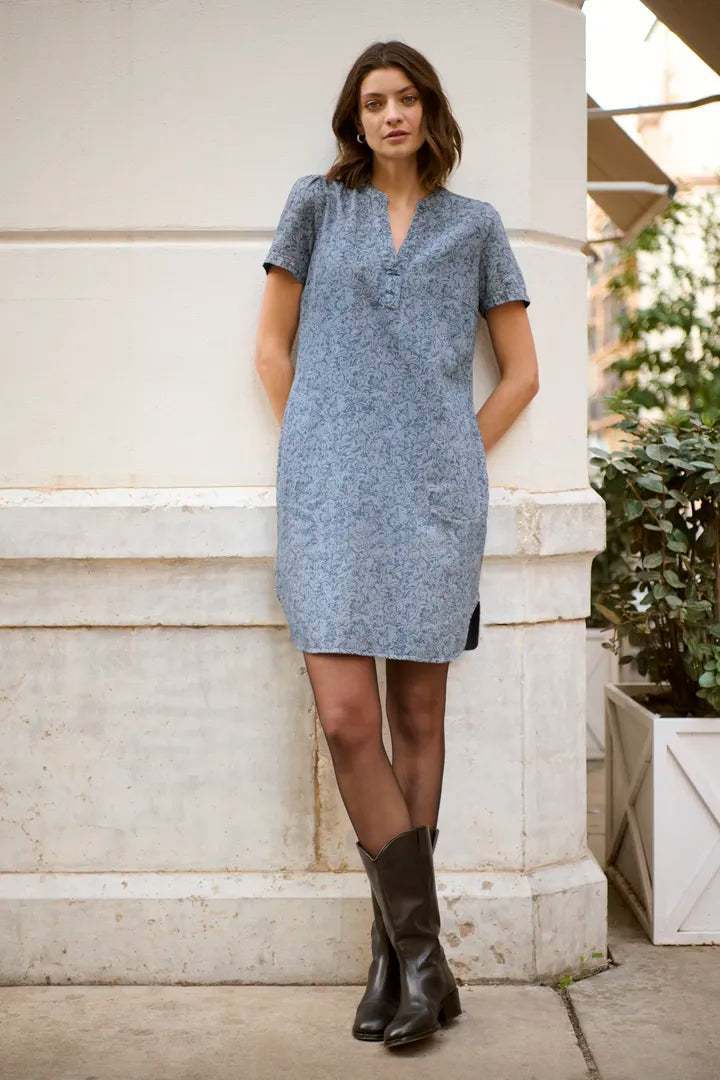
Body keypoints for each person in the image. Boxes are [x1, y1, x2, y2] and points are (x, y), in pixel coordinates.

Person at [255, 40, 539, 1049]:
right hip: (328, 498)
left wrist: (450, 455)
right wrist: (317, 447)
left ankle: (396, 966)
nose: (391, 115)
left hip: (432, 505)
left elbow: (521, 374)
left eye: (407, 98)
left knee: (418, 716)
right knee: (347, 719)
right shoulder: (315, 207)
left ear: (429, 112)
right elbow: (271, 347)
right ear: (355, 117)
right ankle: (425, 960)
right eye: (374, 101)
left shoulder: (476, 227)